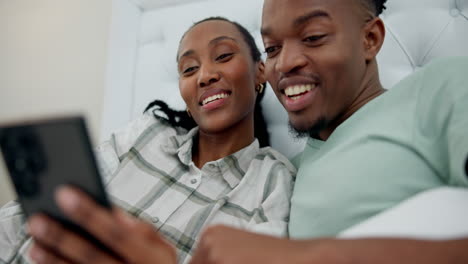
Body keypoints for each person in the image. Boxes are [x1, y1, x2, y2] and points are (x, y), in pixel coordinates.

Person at [15, 0, 468, 263]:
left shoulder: (443, 85)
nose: (284, 63)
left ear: (370, 40)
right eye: (273, 47)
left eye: (312, 37)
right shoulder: (301, 171)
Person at [0, 17, 296, 264]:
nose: (204, 76)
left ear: (260, 71)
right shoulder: (147, 133)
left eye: (223, 56)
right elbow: (31, 213)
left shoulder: (272, 181)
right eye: (189, 69)